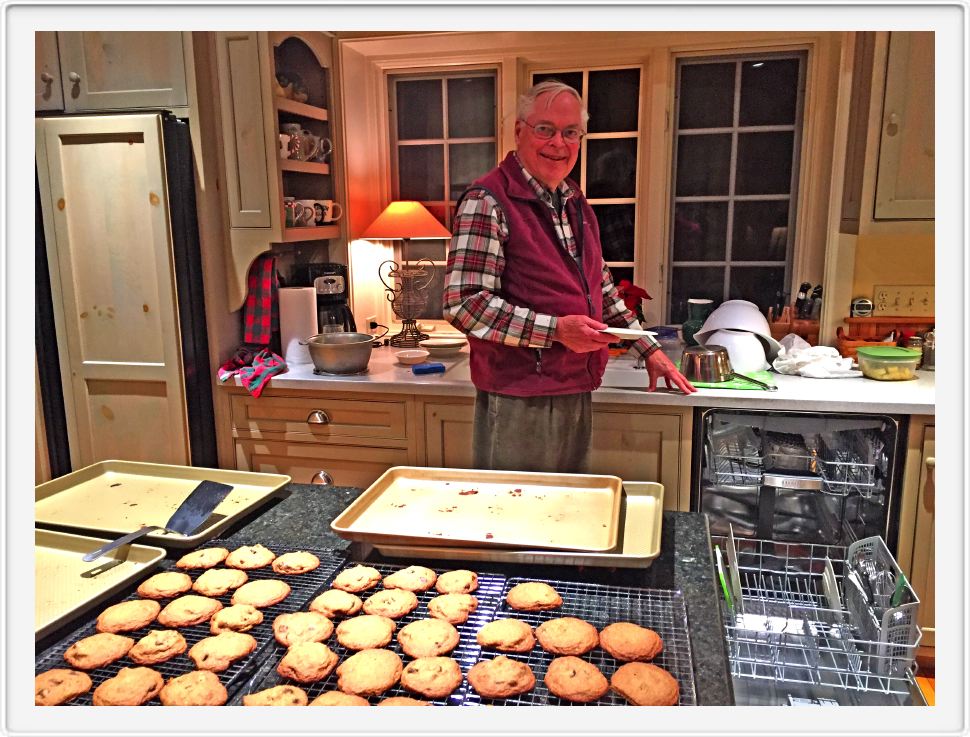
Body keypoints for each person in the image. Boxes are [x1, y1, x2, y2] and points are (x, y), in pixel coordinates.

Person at [443, 80, 696, 474]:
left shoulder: (572, 200)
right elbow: (465, 304)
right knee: (518, 517)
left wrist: (650, 349)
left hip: (572, 383)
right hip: (518, 395)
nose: (558, 143)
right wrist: (557, 331)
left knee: (562, 512)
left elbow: (602, 286)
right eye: (545, 129)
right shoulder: (487, 201)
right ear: (519, 131)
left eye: (570, 132)